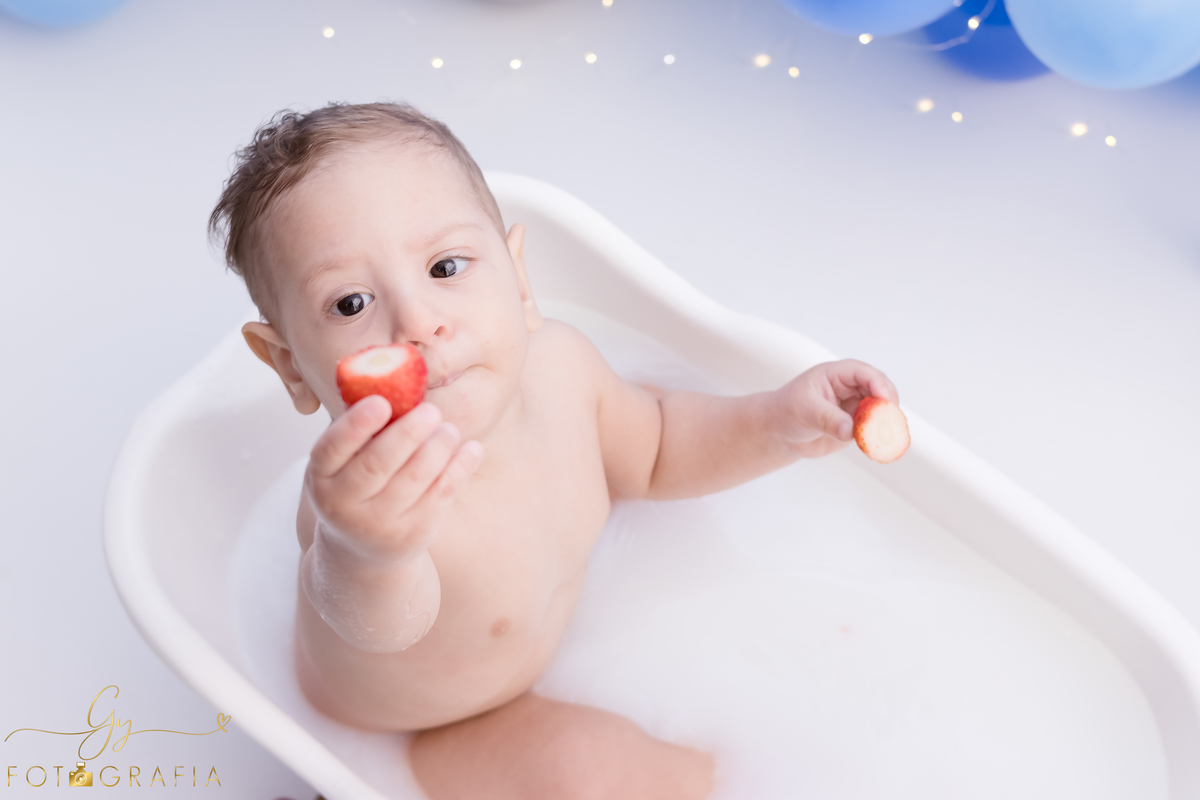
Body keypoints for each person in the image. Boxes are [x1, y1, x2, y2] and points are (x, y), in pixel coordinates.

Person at [209, 101, 900, 800]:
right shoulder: (363, 500)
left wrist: (778, 420)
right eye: (351, 305)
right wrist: (367, 551)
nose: (418, 323)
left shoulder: (564, 370)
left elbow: (658, 447)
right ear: (293, 367)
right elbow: (375, 622)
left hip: (548, 651)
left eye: (446, 266)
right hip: (430, 727)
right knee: (598, 775)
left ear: (520, 280)